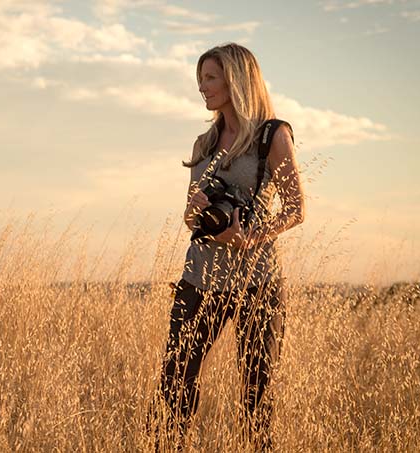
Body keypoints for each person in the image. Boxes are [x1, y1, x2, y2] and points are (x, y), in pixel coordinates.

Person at [146, 43, 305, 452]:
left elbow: (296, 209)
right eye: (201, 78)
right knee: (175, 380)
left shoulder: (273, 135)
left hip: (257, 283)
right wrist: (196, 209)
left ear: (236, 78)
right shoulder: (204, 141)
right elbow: (188, 220)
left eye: (210, 77)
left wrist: (249, 236)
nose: (202, 86)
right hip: (199, 279)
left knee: (257, 393)